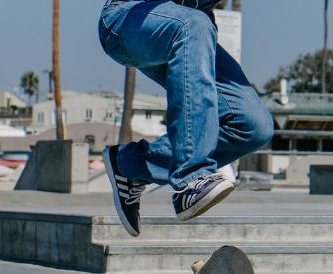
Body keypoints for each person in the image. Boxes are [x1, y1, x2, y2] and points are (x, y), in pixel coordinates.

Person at [98, 0, 274, 237]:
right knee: (194, 23)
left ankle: (128, 165)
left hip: (190, 33)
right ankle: (191, 178)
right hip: (126, 19)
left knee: (252, 125)